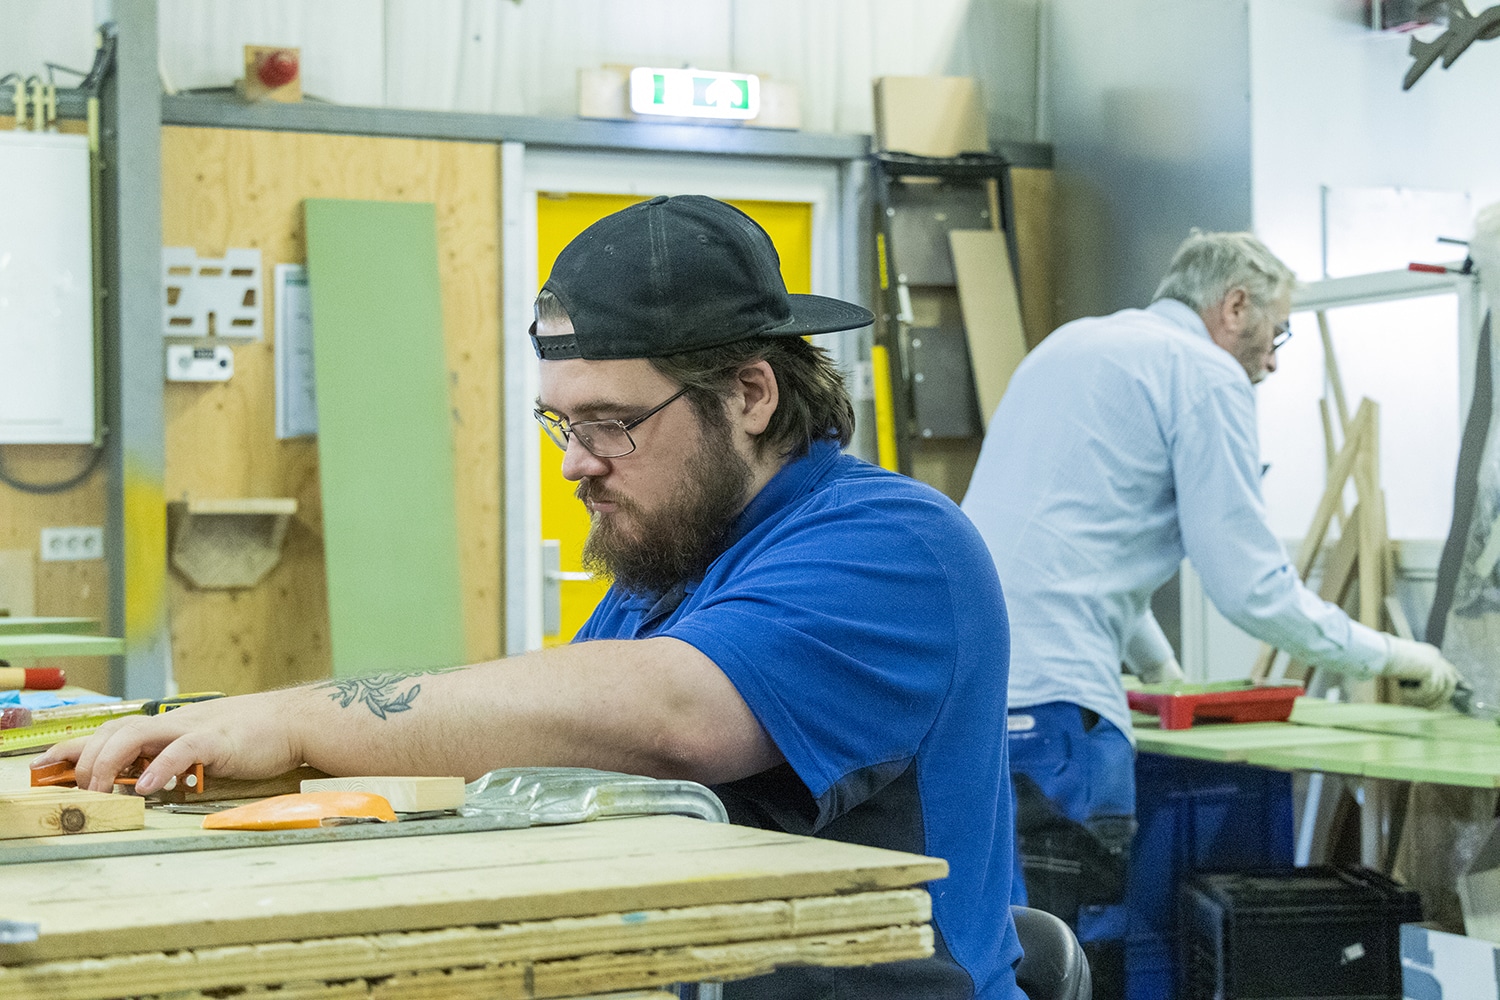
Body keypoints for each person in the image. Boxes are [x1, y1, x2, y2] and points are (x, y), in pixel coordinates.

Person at [38, 195, 1026, 1000]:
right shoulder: (668, 567)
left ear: (753, 394)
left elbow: (680, 715)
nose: (576, 464)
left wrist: (295, 718)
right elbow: (544, 753)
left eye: (611, 424)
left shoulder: (895, 548)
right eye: (562, 422)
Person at [959, 229, 1462, 996]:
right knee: (1081, 955)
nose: (1274, 359)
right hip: (1061, 710)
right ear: (1234, 307)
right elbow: (1252, 589)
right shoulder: (1204, 374)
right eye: (1277, 332)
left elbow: (1076, 542)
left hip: (977, 691)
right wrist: (1402, 657)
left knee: (1010, 948)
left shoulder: (1075, 344)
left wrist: (1163, 671)